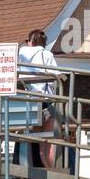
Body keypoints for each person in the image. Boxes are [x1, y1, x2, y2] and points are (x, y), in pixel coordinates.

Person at [16, 29, 58, 170]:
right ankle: (50, 169)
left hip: (26, 100)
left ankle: (39, 168)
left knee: (38, 138)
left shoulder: (21, 53)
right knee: (49, 140)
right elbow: (56, 76)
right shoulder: (46, 54)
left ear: (30, 41)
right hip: (44, 100)